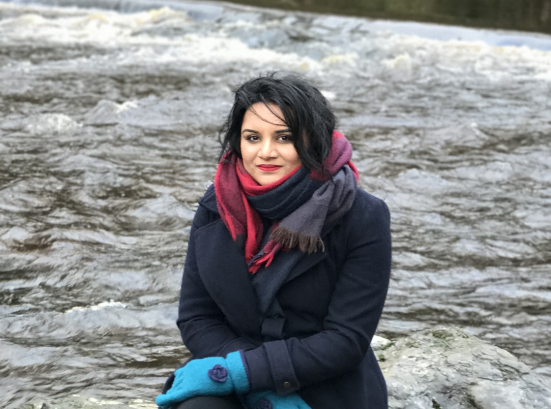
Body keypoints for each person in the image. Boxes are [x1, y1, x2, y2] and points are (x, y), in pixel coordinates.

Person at [156, 74, 391, 409]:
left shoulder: (363, 216)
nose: (266, 152)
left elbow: (346, 340)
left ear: (315, 140)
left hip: (326, 388)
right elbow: (197, 318)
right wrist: (246, 376)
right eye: (253, 137)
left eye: (284, 137)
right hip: (232, 373)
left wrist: (251, 372)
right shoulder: (216, 204)